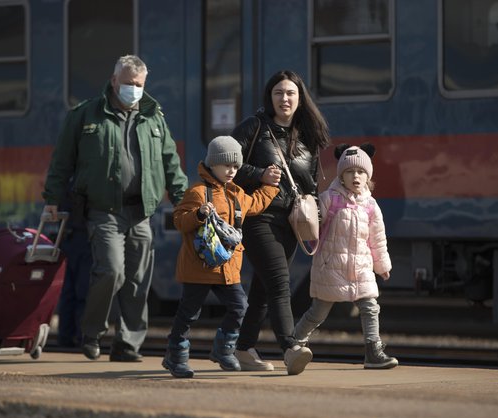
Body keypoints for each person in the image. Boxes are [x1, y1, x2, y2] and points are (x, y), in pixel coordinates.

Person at [42, 54, 188, 362]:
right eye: (127, 83)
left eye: (138, 84)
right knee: (111, 270)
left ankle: (127, 345)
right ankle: (92, 333)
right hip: (103, 209)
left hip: (140, 212)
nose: (132, 89)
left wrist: (183, 201)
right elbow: (62, 160)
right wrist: (52, 199)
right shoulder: (85, 115)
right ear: (113, 81)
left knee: (137, 281)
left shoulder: (153, 118)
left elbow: (170, 163)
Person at [230, 70, 331, 375]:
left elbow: (311, 186)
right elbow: (225, 165)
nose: (284, 99)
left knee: (263, 288)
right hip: (258, 217)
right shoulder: (254, 127)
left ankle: (243, 348)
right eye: (278, 93)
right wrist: (258, 174)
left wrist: (317, 213)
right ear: (269, 97)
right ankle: (291, 347)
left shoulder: (308, 137)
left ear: (300, 99)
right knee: (279, 283)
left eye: (290, 93)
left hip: (292, 223)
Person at [163, 136, 279, 378]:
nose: (232, 171)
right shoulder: (197, 192)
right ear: (212, 164)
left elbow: (256, 203)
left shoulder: (237, 194)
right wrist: (198, 214)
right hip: (199, 268)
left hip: (228, 269)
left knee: (240, 308)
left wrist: (269, 185)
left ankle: (224, 349)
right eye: (226, 165)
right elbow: (179, 220)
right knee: (188, 314)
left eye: (236, 166)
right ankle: (176, 355)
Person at [293, 144, 398, 369]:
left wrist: (382, 266)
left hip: (361, 266)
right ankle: (294, 343)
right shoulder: (330, 198)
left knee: (370, 307)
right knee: (317, 313)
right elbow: (312, 222)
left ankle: (373, 352)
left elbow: (377, 240)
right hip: (331, 266)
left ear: (367, 176)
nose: (355, 176)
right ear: (341, 175)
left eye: (360, 172)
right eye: (350, 172)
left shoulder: (371, 206)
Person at [56, 180, 92, 348]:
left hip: (67, 238)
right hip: (84, 239)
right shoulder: (86, 181)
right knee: (83, 292)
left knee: (68, 291)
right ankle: (82, 337)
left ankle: (65, 336)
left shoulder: (66, 180)